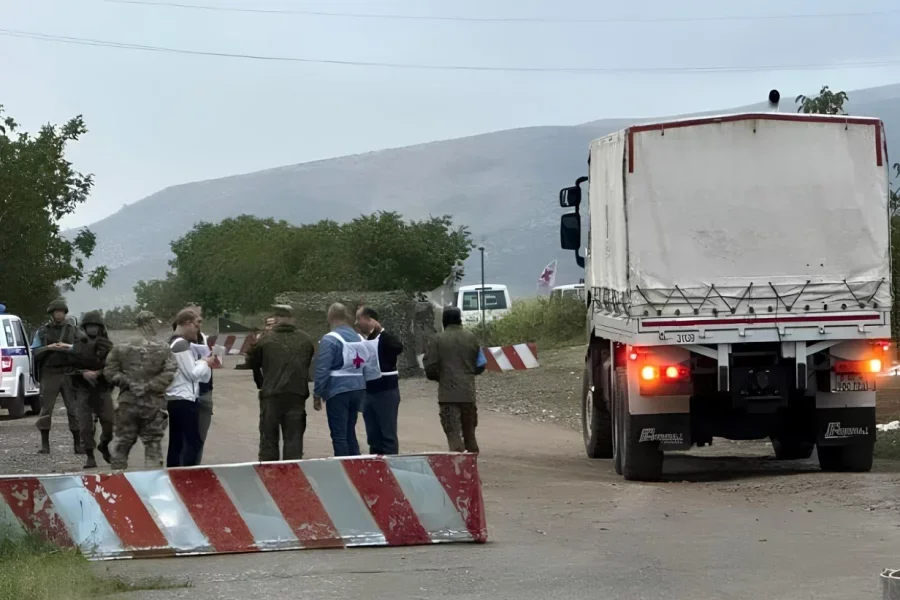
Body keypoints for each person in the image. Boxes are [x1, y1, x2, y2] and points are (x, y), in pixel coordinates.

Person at [104, 311, 176, 470]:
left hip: (128, 403)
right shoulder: (163, 347)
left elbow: (109, 372)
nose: (157, 324)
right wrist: (149, 385)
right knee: (153, 446)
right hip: (153, 405)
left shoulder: (121, 347)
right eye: (155, 321)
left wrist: (129, 383)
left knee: (122, 445)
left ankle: (118, 484)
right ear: (147, 323)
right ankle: (153, 485)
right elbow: (170, 372)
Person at [245, 305, 315, 461]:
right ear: (293, 319)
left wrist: (261, 383)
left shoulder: (265, 340)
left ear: (276, 319)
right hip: (297, 395)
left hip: (271, 396)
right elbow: (307, 362)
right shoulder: (305, 339)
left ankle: (270, 476)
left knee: (269, 440)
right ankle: (293, 475)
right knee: (294, 440)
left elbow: (251, 362)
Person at [313, 303, 377, 457]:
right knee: (350, 430)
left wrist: (317, 393)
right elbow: (369, 363)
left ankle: (343, 465)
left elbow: (322, 368)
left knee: (339, 434)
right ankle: (355, 463)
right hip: (358, 388)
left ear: (330, 316)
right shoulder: (359, 337)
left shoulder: (330, 339)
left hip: (338, 390)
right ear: (346, 316)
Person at [423, 307, 486, 453]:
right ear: (460, 319)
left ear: (444, 321)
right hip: (468, 393)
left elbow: (430, 367)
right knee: (470, 435)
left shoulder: (437, 339)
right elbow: (481, 363)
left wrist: (441, 377)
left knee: (453, 435)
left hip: (448, 395)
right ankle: (471, 468)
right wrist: (469, 373)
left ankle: (458, 466)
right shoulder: (471, 337)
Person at [32, 299, 82, 454]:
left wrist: (68, 347)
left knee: (73, 410)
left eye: (61, 311)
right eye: (56, 312)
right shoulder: (43, 331)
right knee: (46, 409)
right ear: (52, 314)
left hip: (68, 373)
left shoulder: (73, 330)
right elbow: (35, 350)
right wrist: (49, 347)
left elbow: (84, 347)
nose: (59, 314)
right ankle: (45, 445)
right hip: (50, 373)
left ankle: (77, 444)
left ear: (65, 313)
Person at [166, 308, 214, 468]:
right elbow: (193, 374)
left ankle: (176, 476)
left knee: (178, 443)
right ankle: (187, 478)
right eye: (196, 324)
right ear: (186, 323)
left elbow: (201, 375)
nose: (197, 329)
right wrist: (205, 362)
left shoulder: (177, 342)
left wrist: (203, 365)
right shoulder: (180, 344)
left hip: (180, 398)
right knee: (191, 443)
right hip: (183, 399)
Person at [67, 310, 115, 469]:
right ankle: (90, 455)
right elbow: (69, 369)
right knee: (85, 426)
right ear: (85, 328)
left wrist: (99, 373)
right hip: (83, 389)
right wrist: (83, 373)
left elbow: (114, 367)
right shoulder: (77, 347)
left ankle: (104, 444)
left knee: (109, 423)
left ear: (100, 328)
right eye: (90, 326)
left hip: (102, 389)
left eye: (96, 326)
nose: (93, 329)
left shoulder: (108, 346)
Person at [356, 306, 404, 455]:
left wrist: (380, 330)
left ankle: (391, 469)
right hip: (369, 393)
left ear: (370, 319)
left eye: (359, 318)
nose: (356, 322)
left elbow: (398, 347)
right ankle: (376, 468)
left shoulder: (385, 339)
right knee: (373, 437)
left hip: (386, 393)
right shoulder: (364, 341)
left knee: (387, 435)